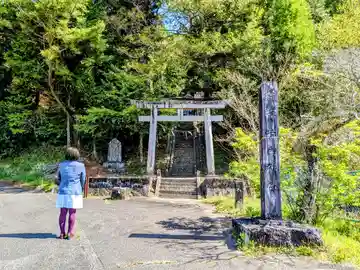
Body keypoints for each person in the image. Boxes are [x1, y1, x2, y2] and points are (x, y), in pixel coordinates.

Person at [55, 147, 86, 240]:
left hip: (63, 191)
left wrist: (60, 184)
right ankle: (70, 233)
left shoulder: (61, 165)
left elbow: (57, 178)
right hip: (75, 191)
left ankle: (62, 233)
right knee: (72, 213)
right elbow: (83, 179)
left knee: (62, 213)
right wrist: (80, 188)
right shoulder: (81, 166)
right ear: (76, 155)